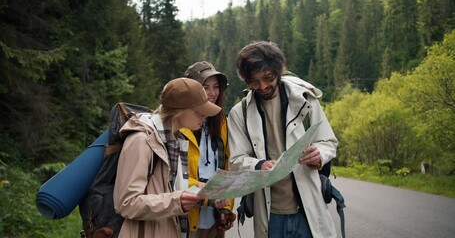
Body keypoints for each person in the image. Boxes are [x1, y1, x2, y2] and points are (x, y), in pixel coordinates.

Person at [227, 41, 339, 238]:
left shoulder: (306, 100)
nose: (262, 86)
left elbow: (328, 142)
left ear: (278, 71)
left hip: (307, 210)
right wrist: (259, 165)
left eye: (268, 78)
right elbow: (236, 161)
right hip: (271, 217)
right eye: (254, 81)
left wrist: (319, 154)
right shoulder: (239, 113)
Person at [113, 78, 221, 238]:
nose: (204, 115)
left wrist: (196, 190)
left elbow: (166, 189)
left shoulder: (175, 140)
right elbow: (126, 204)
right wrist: (177, 201)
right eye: (199, 110)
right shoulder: (141, 141)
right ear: (181, 111)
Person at [181, 61, 236, 238]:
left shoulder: (220, 122)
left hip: (214, 217)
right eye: (205, 87)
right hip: (186, 216)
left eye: (216, 87)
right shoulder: (179, 124)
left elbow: (227, 167)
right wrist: (207, 195)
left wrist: (226, 207)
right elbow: (171, 176)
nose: (212, 93)